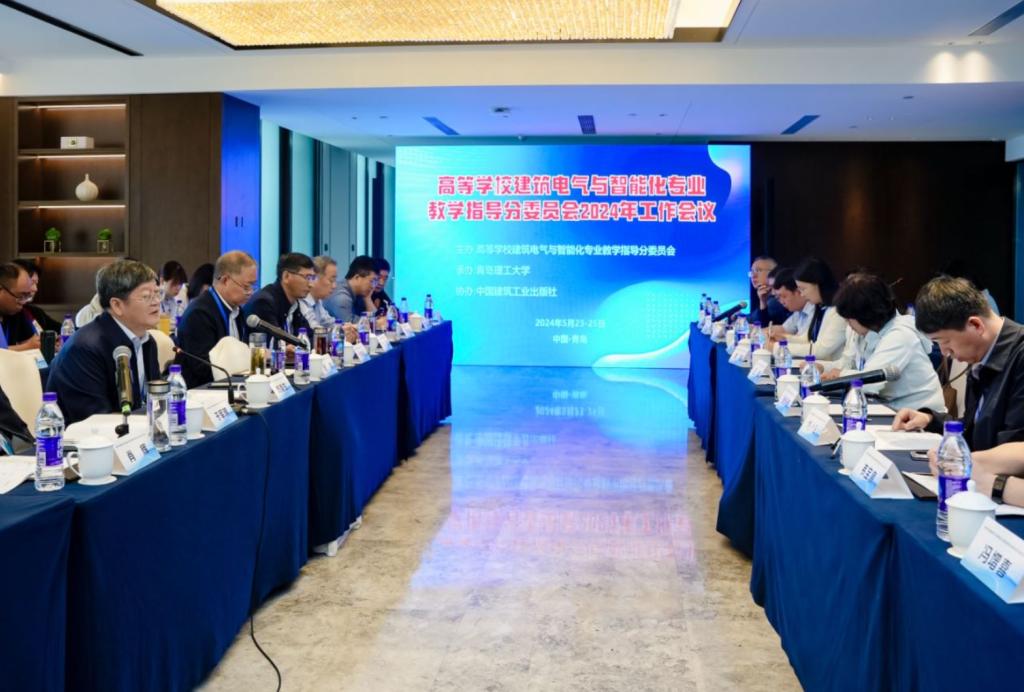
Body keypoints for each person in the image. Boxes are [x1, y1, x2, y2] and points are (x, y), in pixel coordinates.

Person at [893, 276, 1024, 451]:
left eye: (945, 341)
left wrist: (958, 461)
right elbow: (974, 429)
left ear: (975, 325)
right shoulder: (982, 357)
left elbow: (1015, 448)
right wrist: (930, 420)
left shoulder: (1019, 357)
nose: (945, 352)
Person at [47, 260, 161, 425]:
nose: (156, 301)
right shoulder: (85, 349)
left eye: (157, 293)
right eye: (146, 296)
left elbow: (154, 401)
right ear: (117, 305)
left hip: (135, 432)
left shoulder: (147, 341)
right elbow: (96, 420)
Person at [825, 273, 946, 412]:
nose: (848, 324)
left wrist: (839, 375)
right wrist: (824, 368)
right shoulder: (869, 332)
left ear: (865, 314)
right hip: (891, 408)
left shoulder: (900, 335)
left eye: (849, 319)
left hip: (921, 416)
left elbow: (868, 383)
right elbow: (851, 365)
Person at [175, 251, 256, 387]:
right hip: (200, 391)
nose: (251, 292)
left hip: (231, 386)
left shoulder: (238, 311)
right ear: (225, 281)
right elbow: (204, 369)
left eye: (253, 286)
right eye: (246, 286)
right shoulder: (199, 314)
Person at [244, 252, 314, 338]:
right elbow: (274, 342)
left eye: (312, 278)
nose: (311, 284)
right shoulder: (264, 303)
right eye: (307, 277)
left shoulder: (294, 304)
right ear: (286, 276)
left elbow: (308, 337)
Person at [791, 257, 846, 365]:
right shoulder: (820, 307)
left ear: (819, 284)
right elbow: (808, 338)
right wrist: (783, 339)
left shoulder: (839, 311)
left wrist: (778, 347)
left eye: (803, 289)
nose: (802, 294)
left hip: (831, 369)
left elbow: (821, 350)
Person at [0, 263, 40, 352]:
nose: (24, 302)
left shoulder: (16, 312)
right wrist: (26, 347)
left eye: (27, 296)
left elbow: (31, 340)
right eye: (21, 296)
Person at [12, 259, 60, 331]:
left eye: (36, 283)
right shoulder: (9, 313)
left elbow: (61, 329)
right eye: (32, 283)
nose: (35, 289)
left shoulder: (35, 311)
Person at [325, 255, 376, 323]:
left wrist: (367, 299)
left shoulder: (359, 293)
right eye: (372, 281)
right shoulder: (342, 297)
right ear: (357, 278)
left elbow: (373, 317)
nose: (373, 286)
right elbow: (350, 324)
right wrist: (377, 323)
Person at [767, 268, 813, 344]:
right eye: (779, 298)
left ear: (798, 292)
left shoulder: (814, 310)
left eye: (784, 296)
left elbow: (805, 342)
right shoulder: (799, 311)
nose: (781, 302)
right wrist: (756, 331)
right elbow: (782, 329)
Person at [748, 256, 789, 326]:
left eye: (758, 270)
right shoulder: (764, 296)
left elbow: (757, 322)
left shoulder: (776, 301)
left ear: (773, 272)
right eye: (752, 271)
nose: (753, 276)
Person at [300, 255, 339, 330]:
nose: (334, 286)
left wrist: (345, 328)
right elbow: (314, 331)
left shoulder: (317, 301)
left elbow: (329, 322)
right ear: (314, 278)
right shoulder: (302, 302)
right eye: (331, 280)